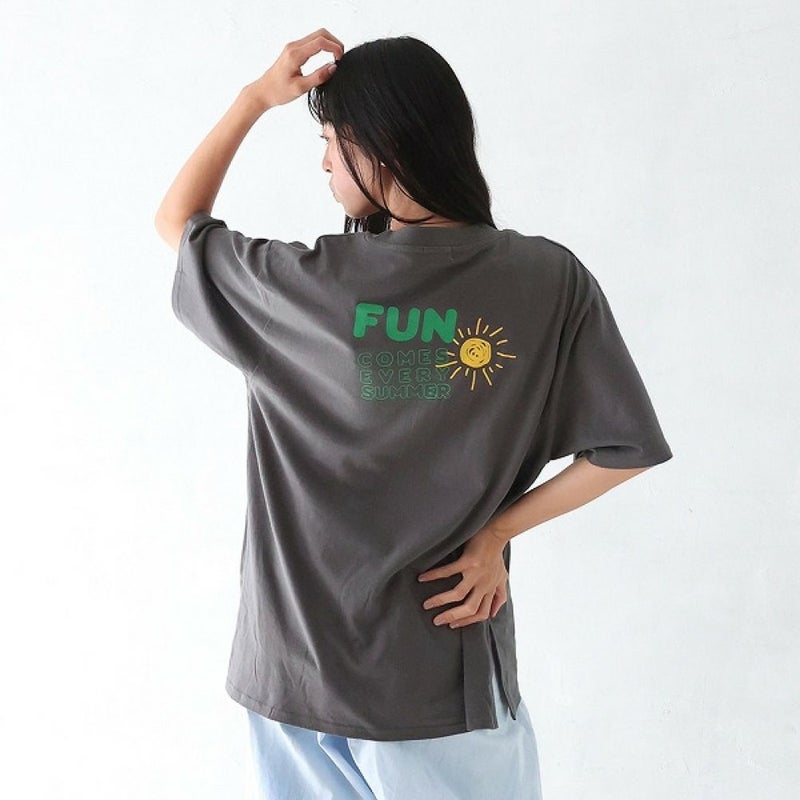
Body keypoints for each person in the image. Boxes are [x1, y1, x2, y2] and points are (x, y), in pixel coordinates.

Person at [155, 28, 673, 800]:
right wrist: (495, 535)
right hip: (438, 676)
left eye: (331, 142)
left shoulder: (302, 287)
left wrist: (256, 98)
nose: (325, 165)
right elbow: (623, 449)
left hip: (294, 673)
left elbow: (178, 221)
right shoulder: (545, 280)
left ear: (382, 145)